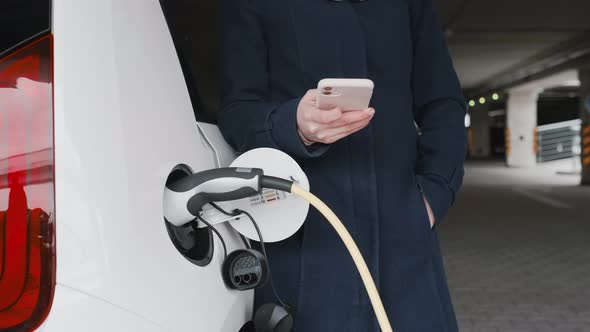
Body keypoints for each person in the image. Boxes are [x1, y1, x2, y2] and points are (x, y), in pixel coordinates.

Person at [219, 0, 467, 331]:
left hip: (402, 235)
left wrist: (434, 193)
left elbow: (444, 103)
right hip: (305, 236)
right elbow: (236, 111)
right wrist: (292, 124)